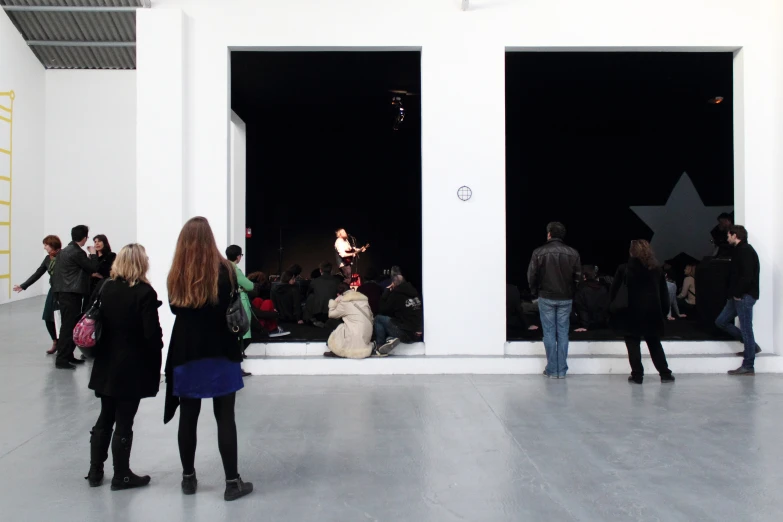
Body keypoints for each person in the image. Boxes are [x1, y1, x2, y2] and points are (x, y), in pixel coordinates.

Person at [164, 217, 253, 501]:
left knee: (188, 416)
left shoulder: (176, 273)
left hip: (187, 351)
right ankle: (231, 482)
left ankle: (188, 479)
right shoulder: (225, 270)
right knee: (225, 417)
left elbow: (176, 310)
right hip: (221, 350)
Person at [85, 244, 163, 490]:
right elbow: (151, 335)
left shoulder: (105, 286)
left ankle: (95, 471)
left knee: (104, 417)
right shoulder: (144, 293)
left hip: (106, 362)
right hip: (132, 365)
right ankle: (122, 475)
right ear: (141, 263)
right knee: (124, 421)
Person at [610, 240, 674, 384]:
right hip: (652, 313)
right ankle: (665, 373)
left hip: (629, 313)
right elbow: (664, 295)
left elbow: (614, 292)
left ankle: (637, 375)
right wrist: (663, 313)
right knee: (655, 344)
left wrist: (612, 310)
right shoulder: (657, 270)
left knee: (632, 345)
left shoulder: (624, 269)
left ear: (631, 251)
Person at [526, 222, 581, 379]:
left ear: (549, 234)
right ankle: (561, 370)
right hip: (565, 298)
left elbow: (532, 276)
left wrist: (534, 292)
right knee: (563, 333)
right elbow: (577, 278)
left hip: (546, 297)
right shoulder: (573, 253)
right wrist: (572, 293)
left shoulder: (539, 252)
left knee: (549, 333)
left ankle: (552, 369)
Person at [51, 225, 99, 370]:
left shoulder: (65, 251)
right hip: (71, 293)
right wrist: (93, 253)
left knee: (69, 326)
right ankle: (62, 359)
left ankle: (68, 355)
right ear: (84, 238)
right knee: (68, 327)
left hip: (64, 293)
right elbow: (93, 267)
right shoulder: (77, 252)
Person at [715, 225, 761, 375]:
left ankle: (748, 365)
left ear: (735, 235)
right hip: (738, 295)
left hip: (743, 296)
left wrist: (738, 293)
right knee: (721, 321)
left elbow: (747, 276)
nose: (727, 238)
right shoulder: (741, 250)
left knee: (746, 329)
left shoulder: (746, 251)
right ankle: (751, 347)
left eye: (729, 235)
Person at [13, 235, 62, 354]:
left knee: (60, 318)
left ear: (53, 245)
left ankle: (63, 344)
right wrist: (23, 286)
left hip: (64, 291)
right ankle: (55, 341)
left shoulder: (63, 256)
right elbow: (38, 273)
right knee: (47, 317)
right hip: (53, 290)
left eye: (46, 245)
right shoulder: (47, 259)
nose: (44, 247)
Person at [374, 266, 422, 355]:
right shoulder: (415, 293)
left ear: (394, 281)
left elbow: (382, 309)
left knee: (378, 319)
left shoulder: (396, 294)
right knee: (396, 320)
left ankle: (379, 346)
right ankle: (390, 339)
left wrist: (387, 292)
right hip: (417, 334)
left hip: (405, 333)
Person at [226, 245, 256, 377]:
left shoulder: (225, 267)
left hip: (230, 304)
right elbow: (249, 286)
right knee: (243, 333)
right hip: (240, 304)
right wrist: (242, 289)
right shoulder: (235, 269)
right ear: (238, 256)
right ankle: (237, 367)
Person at [324, 283, 375, 358]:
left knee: (330, 322)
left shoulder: (344, 302)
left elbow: (331, 315)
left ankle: (336, 349)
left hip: (356, 336)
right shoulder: (363, 300)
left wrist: (334, 302)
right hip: (367, 336)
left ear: (339, 294)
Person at [573, 265, 610, 332]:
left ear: (584, 276)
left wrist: (584, 326)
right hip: (603, 326)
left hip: (587, 327)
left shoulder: (581, 289)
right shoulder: (603, 288)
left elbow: (582, 309)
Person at [303, 261, 339, 327]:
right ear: (331, 270)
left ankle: (309, 319)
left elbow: (308, 293)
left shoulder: (315, 282)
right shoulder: (337, 281)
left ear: (320, 270)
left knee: (311, 297)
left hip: (319, 312)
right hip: (333, 310)